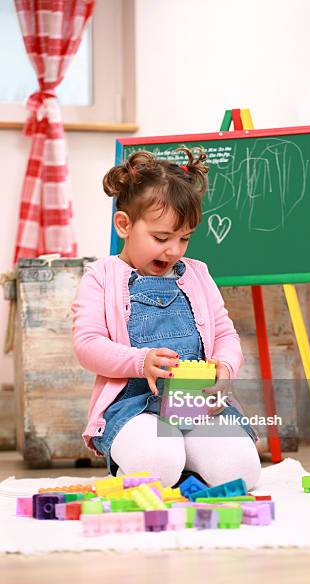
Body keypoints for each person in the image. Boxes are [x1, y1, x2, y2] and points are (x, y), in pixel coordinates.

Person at [71, 147, 261, 490]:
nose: (173, 249)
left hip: (196, 403)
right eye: (161, 238)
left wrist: (225, 366)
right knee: (156, 463)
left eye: (184, 238)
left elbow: (225, 334)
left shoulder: (198, 275)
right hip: (134, 406)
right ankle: (161, 458)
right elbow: (87, 345)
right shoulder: (101, 276)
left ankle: (186, 459)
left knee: (242, 472)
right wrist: (139, 360)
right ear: (124, 224)